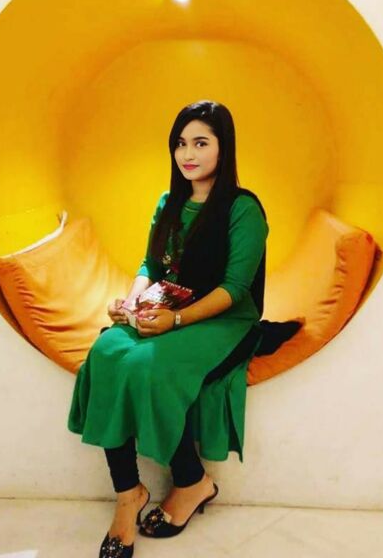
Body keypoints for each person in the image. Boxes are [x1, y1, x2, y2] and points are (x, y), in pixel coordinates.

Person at [67, 100, 269, 558]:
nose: (187, 154)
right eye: (180, 143)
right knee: (106, 352)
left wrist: (174, 320)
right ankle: (128, 494)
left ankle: (191, 481)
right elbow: (150, 265)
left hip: (223, 319)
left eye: (201, 143)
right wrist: (132, 303)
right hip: (168, 304)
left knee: (148, 366)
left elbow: (235, 289)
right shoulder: (169, 202)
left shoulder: (242, 209)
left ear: (224, 147)